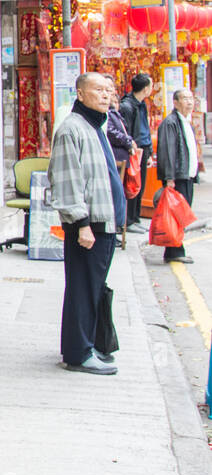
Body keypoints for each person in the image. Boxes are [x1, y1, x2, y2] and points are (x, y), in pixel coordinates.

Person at [48, 72, 127, 375]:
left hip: (101, 224)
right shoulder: (72, 129)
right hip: (88, 226)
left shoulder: (95, 127)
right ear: (80, 94)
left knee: (93, 289)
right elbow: (67, 181)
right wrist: (81, 224)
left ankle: (87, 344)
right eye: (98, 90)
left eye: (109, 90)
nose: (105, 95)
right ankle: (78, 354)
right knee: (82, 289)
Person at [155, 88, 198, 265]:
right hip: (177, 177)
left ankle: (175, 249)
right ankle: (174, 251)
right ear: (176, 102)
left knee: (181, 215)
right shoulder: (171, 122)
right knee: (176, 215)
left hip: (186, 176)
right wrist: (169, 177)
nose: (189, 102)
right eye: (185, 99)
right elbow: (167, 150)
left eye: (191, 98)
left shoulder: (185, 122)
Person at [118, 73, 154, 233]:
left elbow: (145, 128)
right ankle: (129, 219)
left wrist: (150, 151)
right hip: (133, 150)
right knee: (131, 185)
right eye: (151, 86)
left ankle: (136, 217)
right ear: (146, 89)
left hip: (143, 148)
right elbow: (127, 131)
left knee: (140, 185)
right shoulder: (127, 106)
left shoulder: (142, 104)